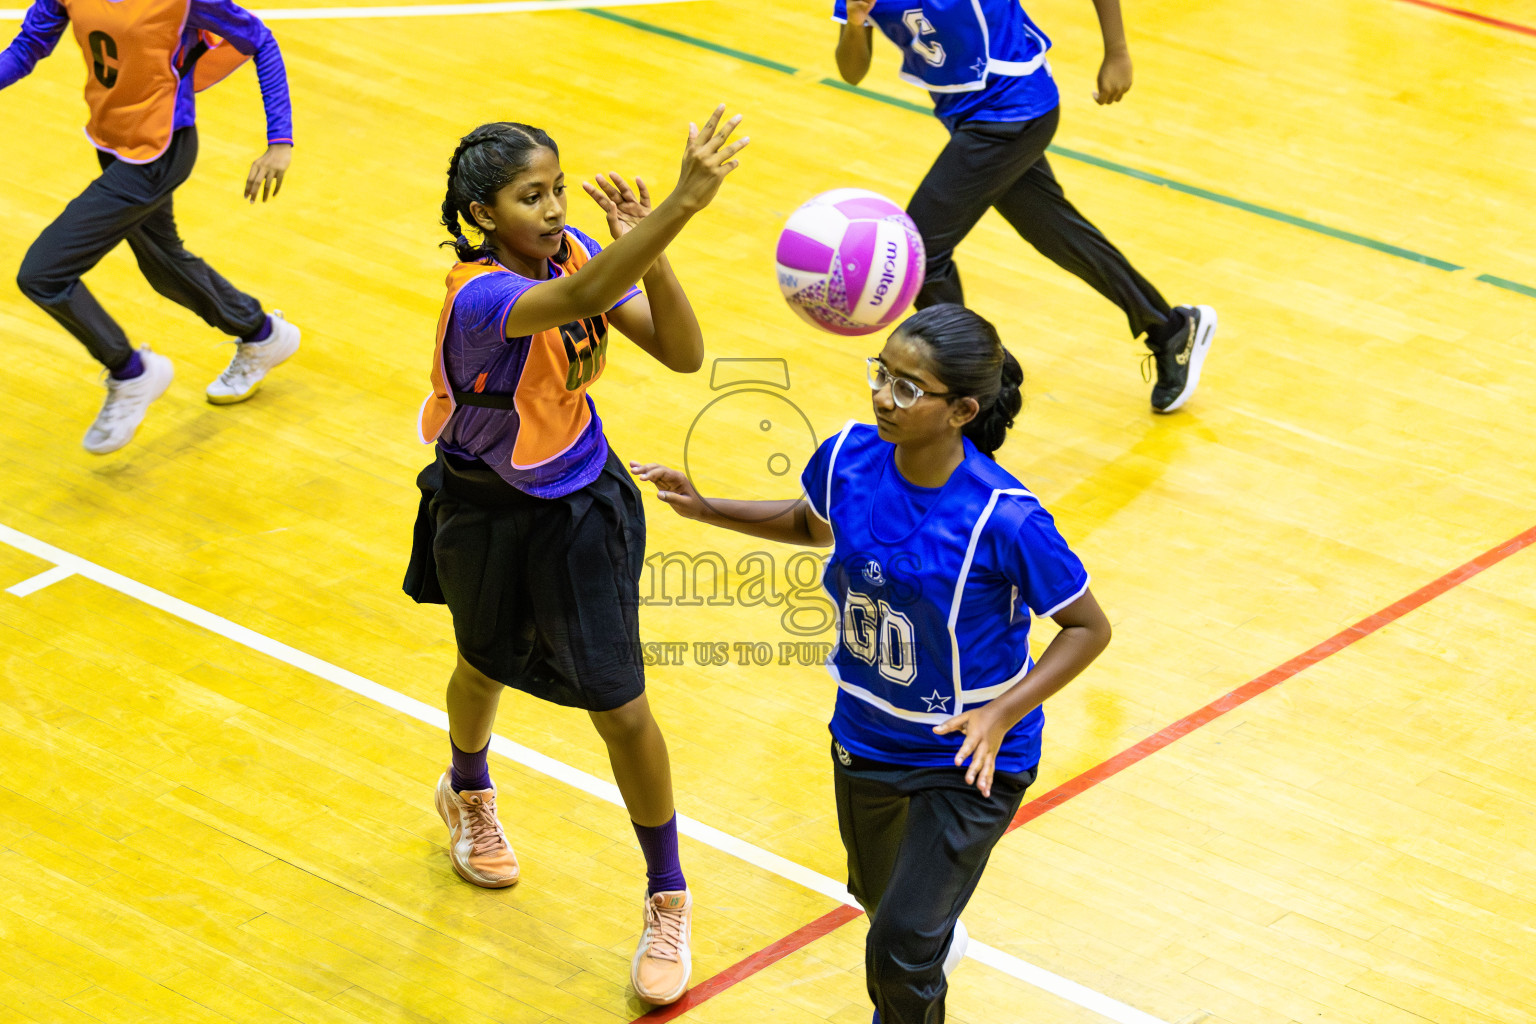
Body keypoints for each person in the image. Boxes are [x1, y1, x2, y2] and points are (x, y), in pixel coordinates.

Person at [633, 304, 1113, 1023]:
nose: (884, 396)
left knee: (897, 951)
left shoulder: (1006, 517)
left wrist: (1001, 711)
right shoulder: (848, 457)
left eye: (909, 388)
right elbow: (811, 522)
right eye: (882, 374)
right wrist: (707, 510)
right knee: (880, 902)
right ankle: (928, 933)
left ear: (962, 411)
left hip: (971, 755)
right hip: (865, 737)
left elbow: (1086, 627)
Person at [402, 106, 748, 1007]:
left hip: (579, 505)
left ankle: (667, 893)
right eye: (531, 197)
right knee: (481, 664)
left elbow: (681, 351)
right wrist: (685, 202)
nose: (555, 209)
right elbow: (590, 300)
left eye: (557, 189)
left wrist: (652, 244)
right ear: (484, 215)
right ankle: (466, 790)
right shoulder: (479, 298)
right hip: (481, 510)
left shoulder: (570, 255)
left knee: (622, 705)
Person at [832, 0, 1216, 414]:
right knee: (1056, 232)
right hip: (967, 116)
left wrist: (1117, 51)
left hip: (1015, 108)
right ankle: (1171, 328)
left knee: (920, 252)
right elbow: (852, 71)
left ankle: (974, 385)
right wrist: (855, 23)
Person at [1, 0, 301, 453]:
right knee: (162, 264)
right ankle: (262, 334)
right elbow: (27, 48)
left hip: (161, 152)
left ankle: (131, 372)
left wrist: (279, 141)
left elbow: (259, 39)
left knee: (44, 274)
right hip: (114, 142)